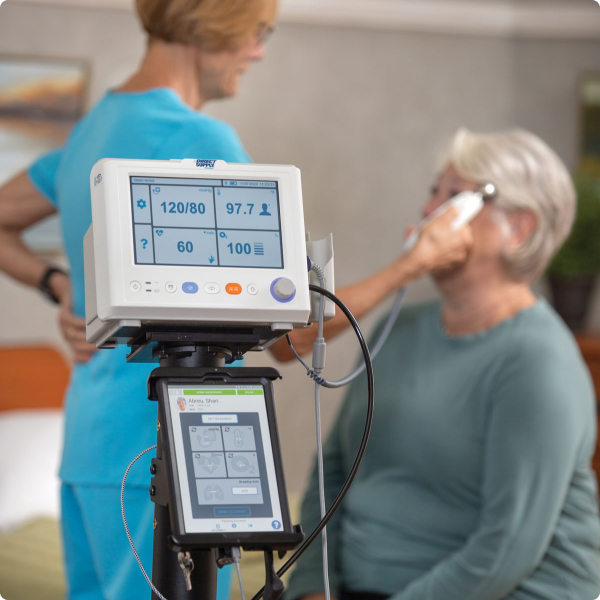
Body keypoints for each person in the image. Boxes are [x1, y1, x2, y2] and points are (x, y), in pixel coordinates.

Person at [0, 1, 277, 599]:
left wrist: (61, 285)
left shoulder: (95, 127)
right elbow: (295, 334)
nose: (258, 51)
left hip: (89, 448)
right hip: (161, 450)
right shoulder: (202, 139)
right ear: (216, 25)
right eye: (258, 33)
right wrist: (412, 264)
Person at [285, 129, 600, 600]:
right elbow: (333, 469)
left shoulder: (538, 361)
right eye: (433, 191)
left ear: (519, 229)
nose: (428, 210)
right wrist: (313, 584)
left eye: (453, 196)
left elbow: (505, 550)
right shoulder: (402, 328)